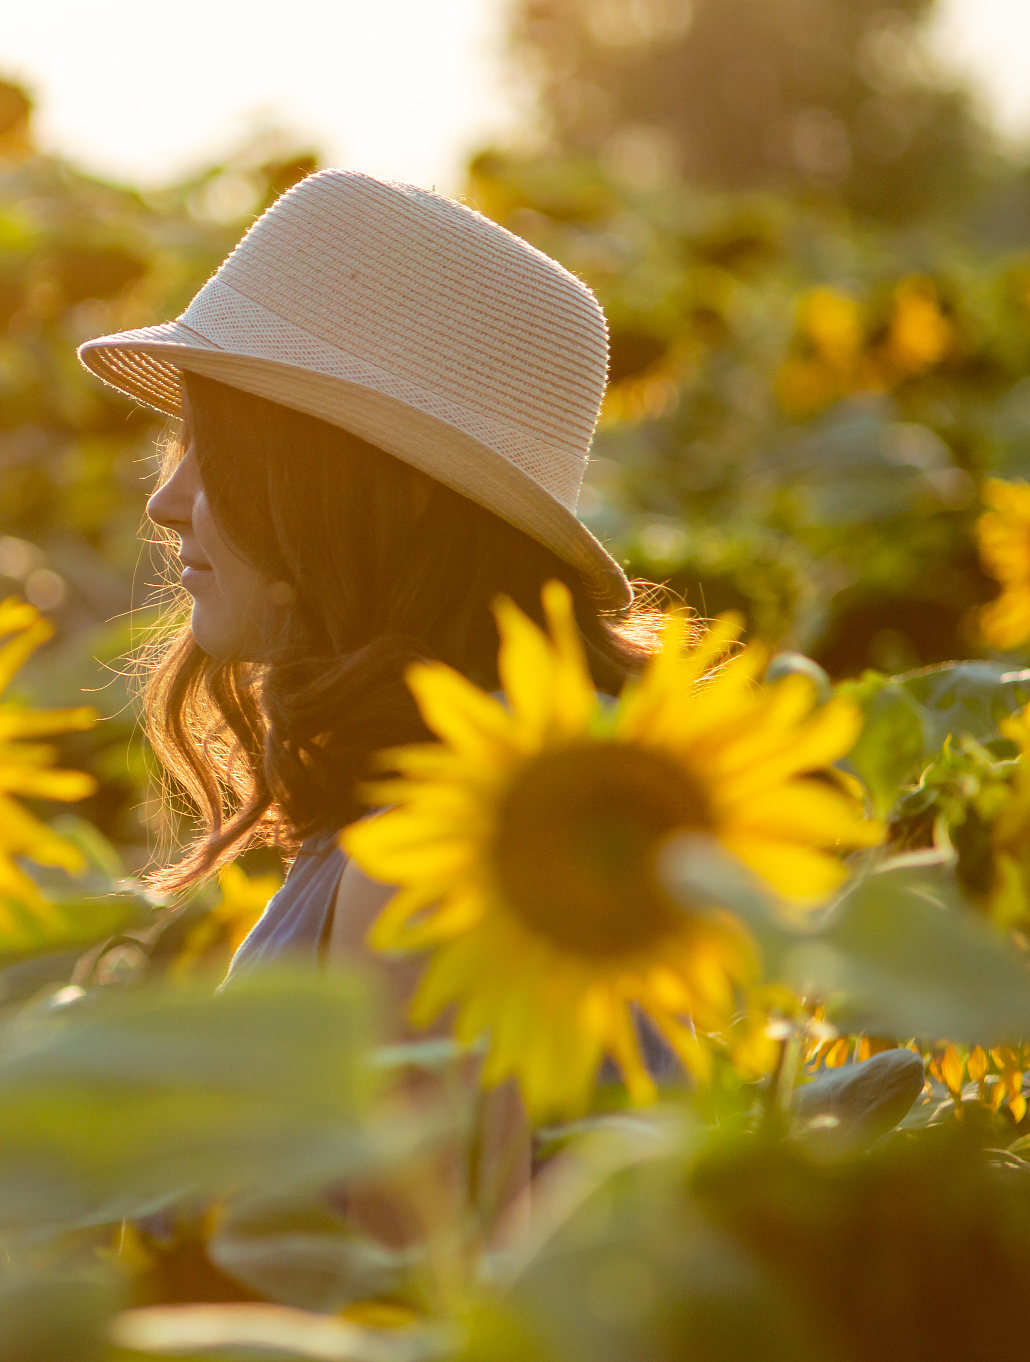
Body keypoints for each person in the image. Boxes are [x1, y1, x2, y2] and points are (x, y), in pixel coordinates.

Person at [76, 169, 669, 1234]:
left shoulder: (429, 865)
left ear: (379, 492)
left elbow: (419, 1312)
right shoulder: (502, 814)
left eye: (219, 450)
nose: (165, 502)